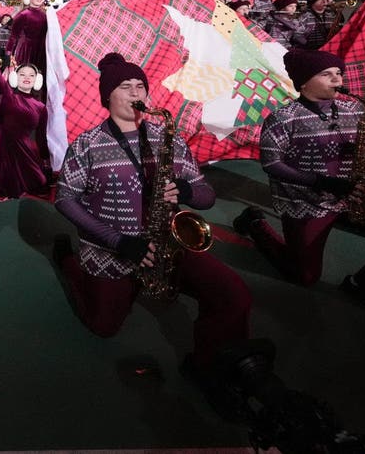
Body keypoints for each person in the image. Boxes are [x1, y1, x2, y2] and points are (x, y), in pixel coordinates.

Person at [52, 54, 251, 388]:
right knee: (104, 326)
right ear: (107, 97)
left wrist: (186, 190)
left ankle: (208, 367)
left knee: (234, 295)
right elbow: (65, 199)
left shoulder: (167, 138)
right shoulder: (86, 144)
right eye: (124, 87)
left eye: (140, 86)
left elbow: (206, 196)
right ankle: (68, 261)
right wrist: (119, 241)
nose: (135, 93)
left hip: (167, 243)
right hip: (111, 249)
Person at [232, 49, 365, 322]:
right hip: (308, 202)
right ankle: (257, 225)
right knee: (304, 277)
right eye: (326, 74)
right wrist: (323, 182)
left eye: (339, 73)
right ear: (303, 82)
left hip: (357, 195)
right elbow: (271, 165)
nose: (338, 80)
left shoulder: (356, 109)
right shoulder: (282, 118)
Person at [0, 34, 49, 199]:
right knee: (7, 184)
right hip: (0, 145)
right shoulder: (6, 93)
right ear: (15, 77)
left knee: (41, 182)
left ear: (37, 80)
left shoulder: (41, 107)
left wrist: (45, 160)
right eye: (23, 74)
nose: (27, 78)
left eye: (31, 75)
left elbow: (41, 136)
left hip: (24, 148)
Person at [5, 0, 49, 74]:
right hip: (26, 52)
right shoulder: (23, 15)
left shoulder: (46, 14)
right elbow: (13, 37)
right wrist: (8, 55)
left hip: (42, 51)